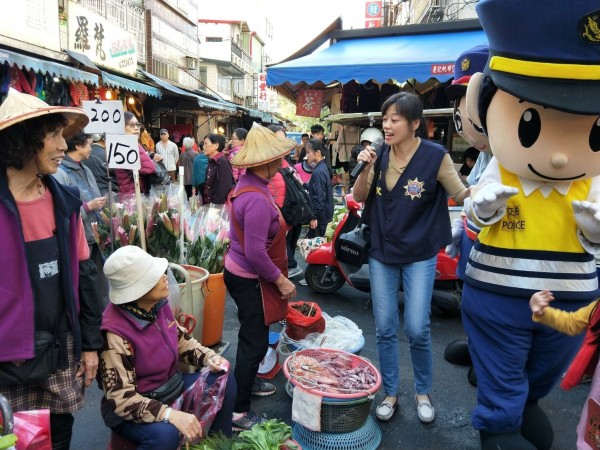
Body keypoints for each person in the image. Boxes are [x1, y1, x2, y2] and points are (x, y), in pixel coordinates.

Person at [353, 92, 469, 424]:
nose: (387, 125)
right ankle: (390, 392)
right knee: (385, 327)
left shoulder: (435, 156)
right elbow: (360, 196)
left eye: (395, 119)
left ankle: (422, 392)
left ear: (414, 123)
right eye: (385, 119)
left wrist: (485, 197)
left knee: (417, 327)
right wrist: (366, 167)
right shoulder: (379, 155)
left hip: (419, 253)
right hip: (381, 252)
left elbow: (460, 193)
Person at [0, 90, 103, 450]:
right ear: (23, 140)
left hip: (60, 345)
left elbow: (86, 275)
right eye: (54, 135)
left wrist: (91, 344)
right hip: (5, 355)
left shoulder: (64, 202)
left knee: (58, 436)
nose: (64, 144)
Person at [99, 245, 236, 449]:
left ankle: (219, 445)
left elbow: (181, 341)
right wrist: (170, 415)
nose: (165, 277)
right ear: (138, 289)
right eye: (155, 276)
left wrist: (209, 357)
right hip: (136, 406)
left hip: (171, 386)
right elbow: (122, 399)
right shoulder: (115, 334)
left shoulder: (157, 306)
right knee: (166, 435)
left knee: (225, 380)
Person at [225, 124, 297, 430]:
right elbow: (255, 252)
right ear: (263, 162)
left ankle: (246, 380)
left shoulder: (254, 185)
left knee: (251, 337)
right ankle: (238, 411)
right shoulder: (254, 198)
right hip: (248, 276)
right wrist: (281, 281)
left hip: (243, 272)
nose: (281, 162)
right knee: (253, 342)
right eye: (276, 158)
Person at [52, 132, 109, 309]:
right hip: (81, 237)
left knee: (99, 281)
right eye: (89, 144)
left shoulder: (86, 168)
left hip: (96, 233)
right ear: (77, 146)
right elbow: (63, 209)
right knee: (85, 284)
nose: (92, 148)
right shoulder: (61, 173)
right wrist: (88, 206)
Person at [115, 112, 157, 197]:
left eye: (137, 125)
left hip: (129, 194)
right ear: (121, 127)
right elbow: (150, 168)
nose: (136, 128)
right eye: (132, 125)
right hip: (132, 197)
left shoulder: (119, 145)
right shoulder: (128, 146)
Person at [306, 138, 333, 239]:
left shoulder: (318, 171)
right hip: (324, 215)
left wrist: (314, 217)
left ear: (317, 152)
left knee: (314, 247)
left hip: (320, 217)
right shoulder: (323, 167)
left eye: (308, 152)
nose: (307, 155)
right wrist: (302, 183)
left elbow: (320, 197)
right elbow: (316, 189)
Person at [203, 133, 234, 205]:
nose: (203, 147)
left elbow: (225, 185)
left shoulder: (221, 161)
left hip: (218, 207)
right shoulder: (211, 161)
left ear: (216, 145)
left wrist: (215, 204)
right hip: (210, 205)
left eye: (206, 144)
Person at [192, 137, 209, 201]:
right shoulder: (210, 157)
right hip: (209, 181)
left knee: (203, 199)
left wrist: (193, 186)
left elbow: (194, 174)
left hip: (200, 182)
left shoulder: (196, 158)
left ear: (199, 148)